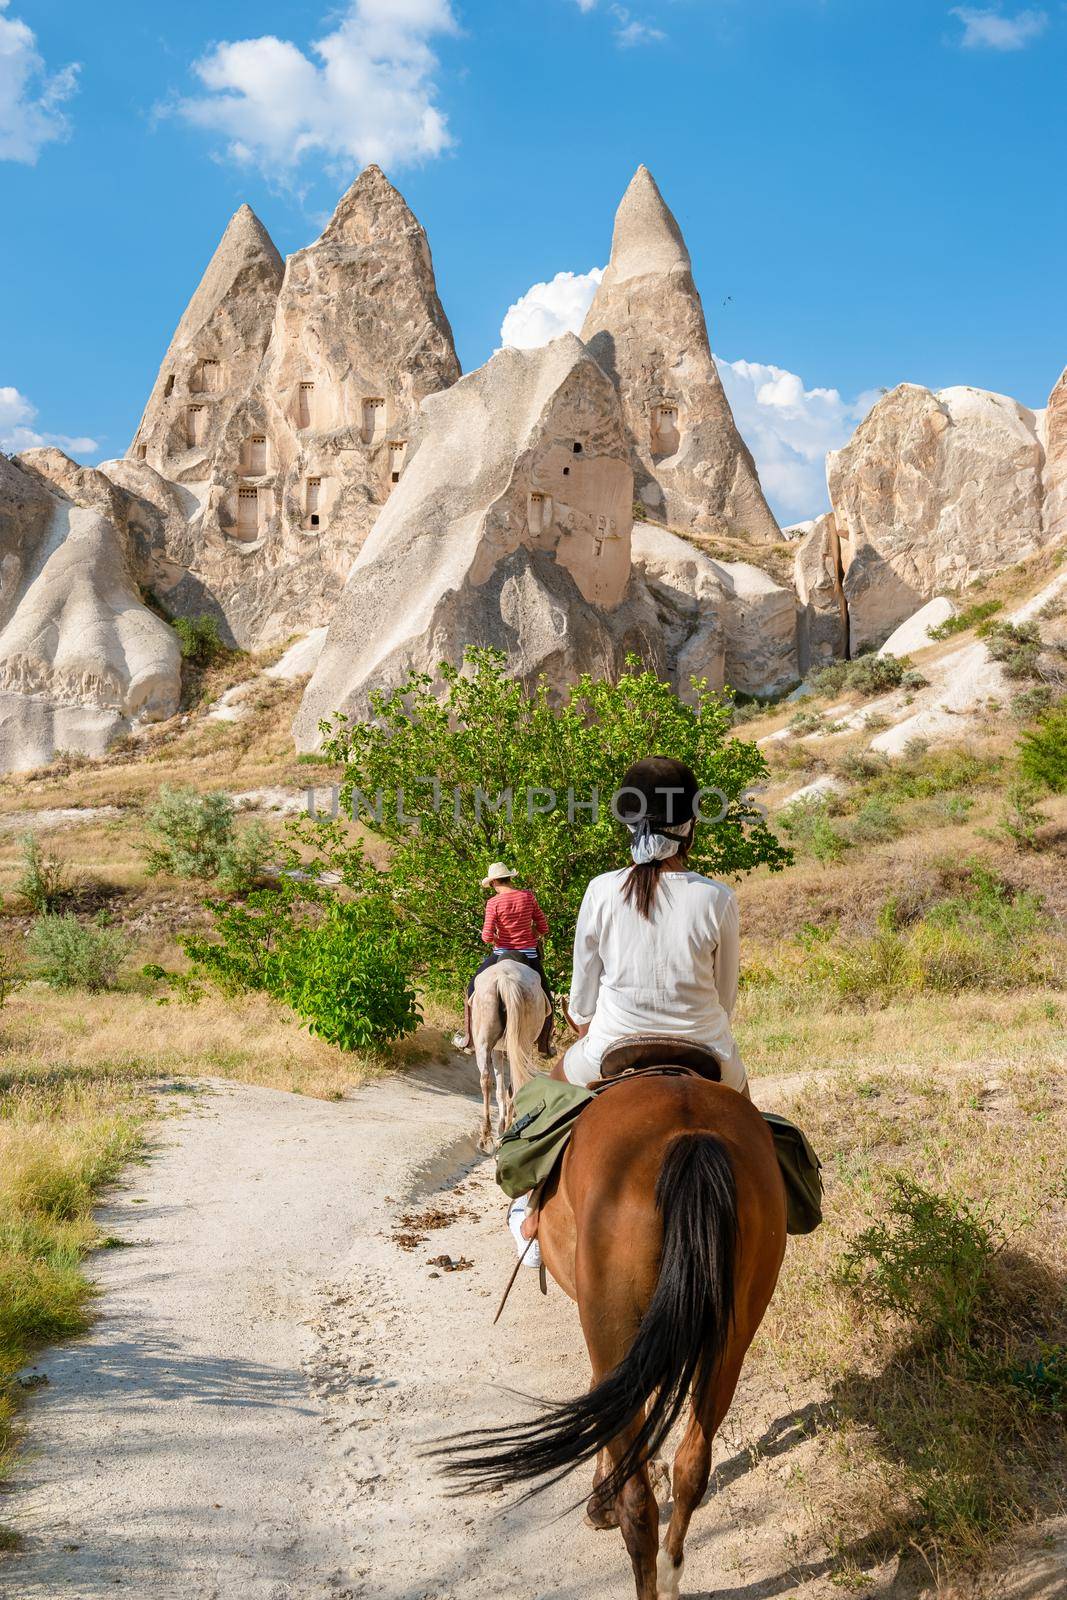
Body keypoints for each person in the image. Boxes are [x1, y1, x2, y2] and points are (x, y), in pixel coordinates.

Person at [512, 756, 749, 1260]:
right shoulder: (718, 898)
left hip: (612, 1045)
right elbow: (724, 999)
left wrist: (584, 1025)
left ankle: (529, 1212)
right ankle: (776, 1204)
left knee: (544, 1098)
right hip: (707, 1047)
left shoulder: (601, 889)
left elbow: (581, 997)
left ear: (630, 826)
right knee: (753, 1127)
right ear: (689, 829)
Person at [454, 863, 554, 1055]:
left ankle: (468, 1038)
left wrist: (496, 938)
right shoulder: (528, 897)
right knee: (547, 996)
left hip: (501, 953)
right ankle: (545, 1042)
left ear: (493, 883)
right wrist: (532, 932)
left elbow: (486, 936)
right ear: (509, 878)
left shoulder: (493, 903)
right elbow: (543, 926)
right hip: (528, 955)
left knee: (472, 987)